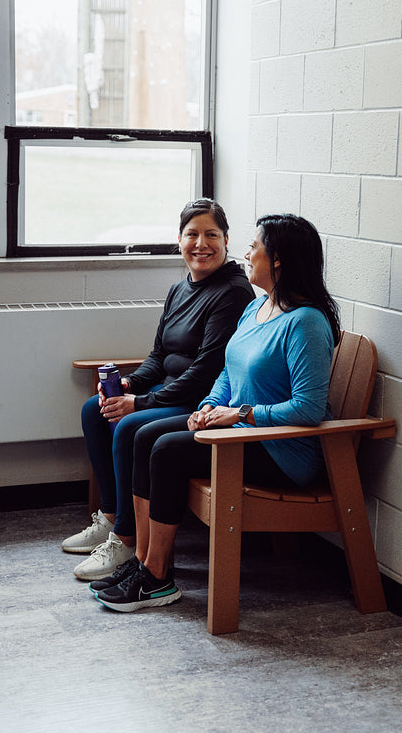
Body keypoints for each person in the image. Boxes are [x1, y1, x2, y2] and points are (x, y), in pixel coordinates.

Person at [91, 213, 341, 612]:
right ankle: (143, 562)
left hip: (282, 452)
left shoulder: (306, 323)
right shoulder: (256, 310)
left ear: (277, 259)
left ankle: (157, 577)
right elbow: (227, 369)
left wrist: (239, 413)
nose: (246, 253)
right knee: (144, 435)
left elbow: (308, 409)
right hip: (241, 432)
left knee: (168, 450)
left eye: (254, 247)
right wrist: (209, 405)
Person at [62, 198, 255, 581]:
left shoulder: (233, 292)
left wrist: (140, 402)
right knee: (93, 410)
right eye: (192, 234)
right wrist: (130, 384)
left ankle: (126, 539)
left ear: (227, 239)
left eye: (211, 235)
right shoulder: (178, 289)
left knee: (131, 424)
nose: (201, 244)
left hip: (200, 400)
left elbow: (206, 372)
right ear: (179, 240)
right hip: (167, 392)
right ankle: (113, 516)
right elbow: (158, 355)